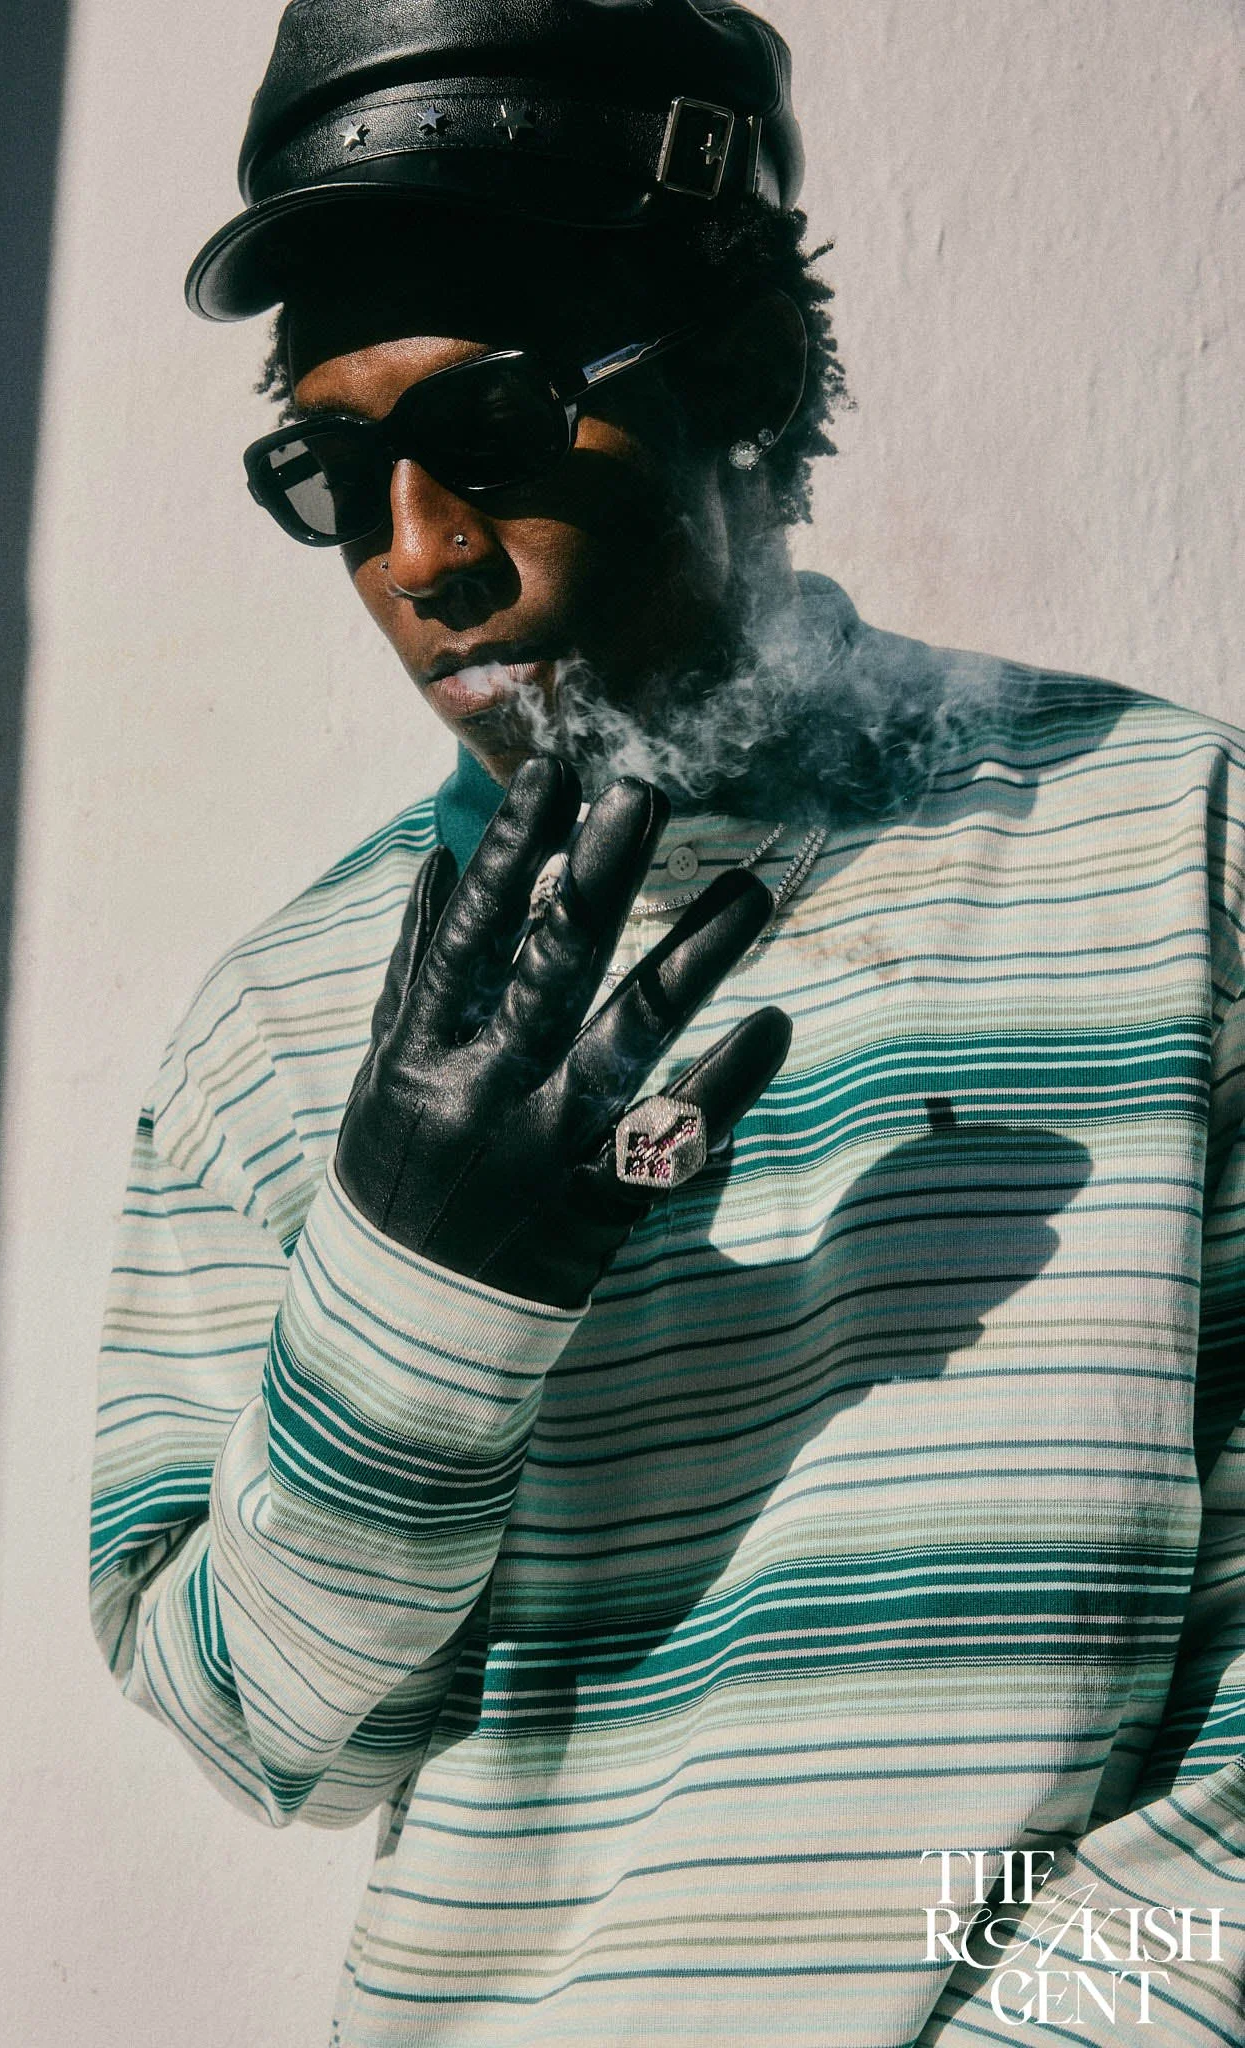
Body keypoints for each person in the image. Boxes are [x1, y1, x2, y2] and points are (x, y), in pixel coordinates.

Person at [90, 4, 1245, 2041]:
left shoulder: (1179, 857)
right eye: (333, 474)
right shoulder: (278, 1031)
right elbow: (265, 1730)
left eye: (500, 421)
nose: (419, 556)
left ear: (735, 377)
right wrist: (411, 1301)